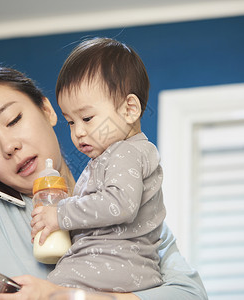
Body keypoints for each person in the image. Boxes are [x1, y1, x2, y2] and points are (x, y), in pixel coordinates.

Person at [0, 63, 208, 300]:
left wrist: (66, 296)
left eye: (13, 120)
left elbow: (190, 294)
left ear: (47, 110)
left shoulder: (121, 192)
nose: (8, 146)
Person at [31, 37, 165, 292]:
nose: (78, 132)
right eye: (70, 122)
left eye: (87, 118)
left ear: (130, 109)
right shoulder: (112, 155)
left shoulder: (125, 152)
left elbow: (119, 205)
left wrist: (60, 214)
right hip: (113, 264)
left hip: (115, 264)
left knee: (46, 291)